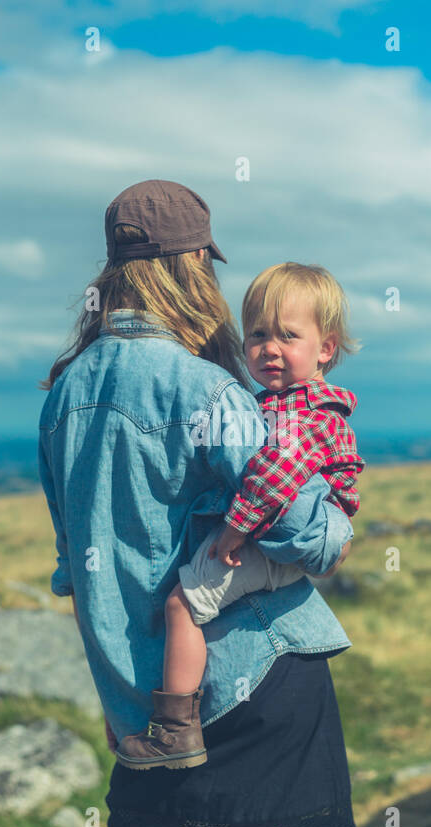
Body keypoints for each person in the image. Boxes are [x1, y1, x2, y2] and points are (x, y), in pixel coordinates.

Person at [37, 179, 362, 827]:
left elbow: (79, 570)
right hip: (256, 683)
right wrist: (333, 523)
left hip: (144, 709)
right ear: (191, 269)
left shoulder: (64, 392)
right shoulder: (206, 387)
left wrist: (119, 691)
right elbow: (317, 538)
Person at [115, 262, 364, 770]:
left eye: (288, 336)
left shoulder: (305, 410)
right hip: (279, 542)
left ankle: (175, 731)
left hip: (275, 542)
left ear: (325, 349)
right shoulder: (276, 403)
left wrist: (233, 530)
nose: (270, 348)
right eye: (258, 334)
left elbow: (275, 475)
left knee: (183, 605)